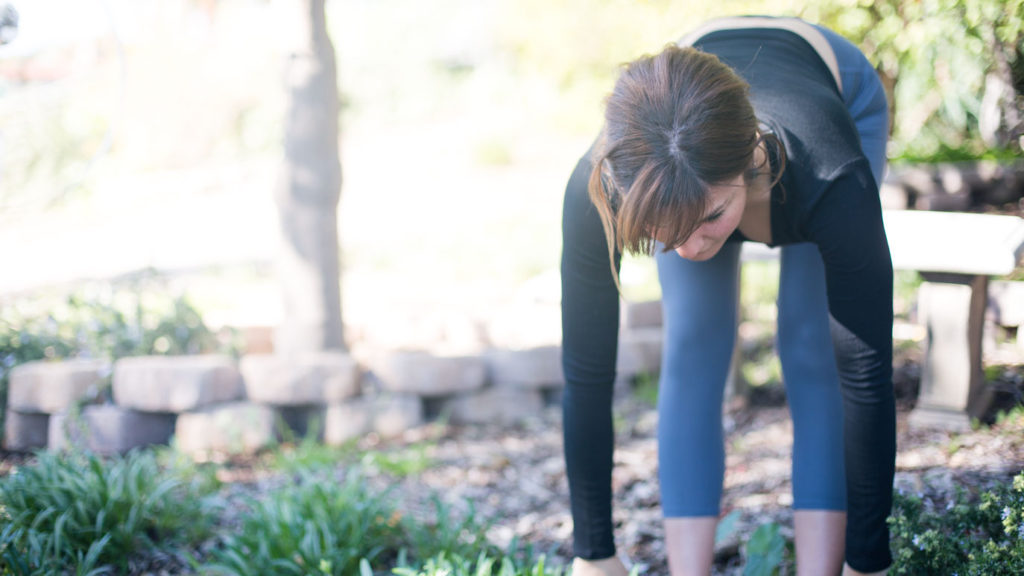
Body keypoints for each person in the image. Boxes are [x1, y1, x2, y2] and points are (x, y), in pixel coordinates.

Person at [560, 16, 894, 576]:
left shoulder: (832, 177)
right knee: (693, 343)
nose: (690, 248)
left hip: (834, 96)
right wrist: (594, 553)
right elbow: (585, 373)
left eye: (712, 217)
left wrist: (870, 562)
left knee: (812, 345)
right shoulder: (604, 187)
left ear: (752, 164)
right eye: (670, 232)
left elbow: (867, 374)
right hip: (678, 146)